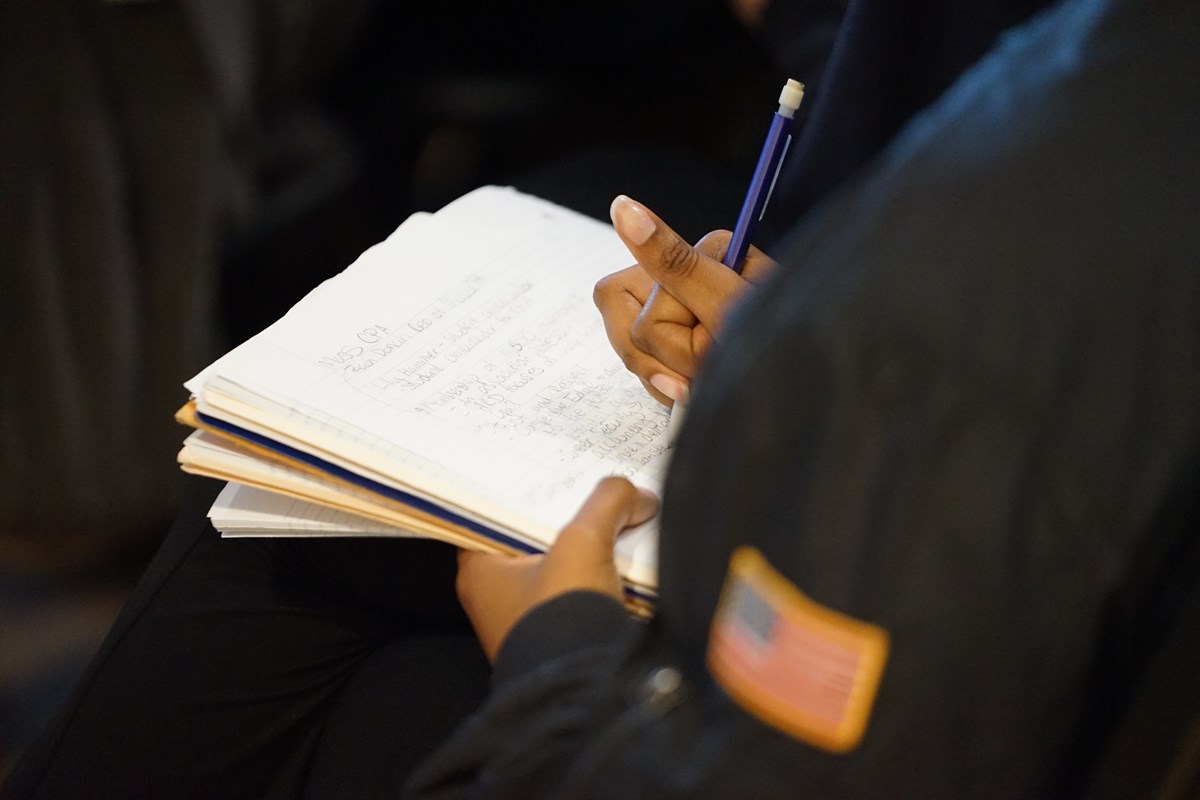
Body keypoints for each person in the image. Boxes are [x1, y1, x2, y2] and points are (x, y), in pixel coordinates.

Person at [7, 0, 1199, 797]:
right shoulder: (1086, 118)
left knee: (320, 655)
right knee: (278, 523)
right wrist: (803, 300)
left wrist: (555, 646)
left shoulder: (1010, 292)